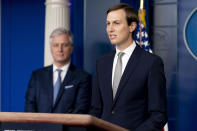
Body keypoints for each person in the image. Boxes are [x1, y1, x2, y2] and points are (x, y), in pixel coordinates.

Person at [89, 3, 167, 131]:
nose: (110, 29)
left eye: (116, 23)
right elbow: (95, 109)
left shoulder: (152, 62)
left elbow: (158, 115)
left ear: (132, 26)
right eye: (108, 23)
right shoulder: (101, 63)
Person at [25, 28, 91, 114]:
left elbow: (80, 109)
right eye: (56, 45)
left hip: (69, 127)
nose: (60, 49)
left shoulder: (83, 78)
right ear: (51, 48)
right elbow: (29, 107)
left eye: (64, 45)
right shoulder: (37, 76)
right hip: (40, 127)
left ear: (71, 48)